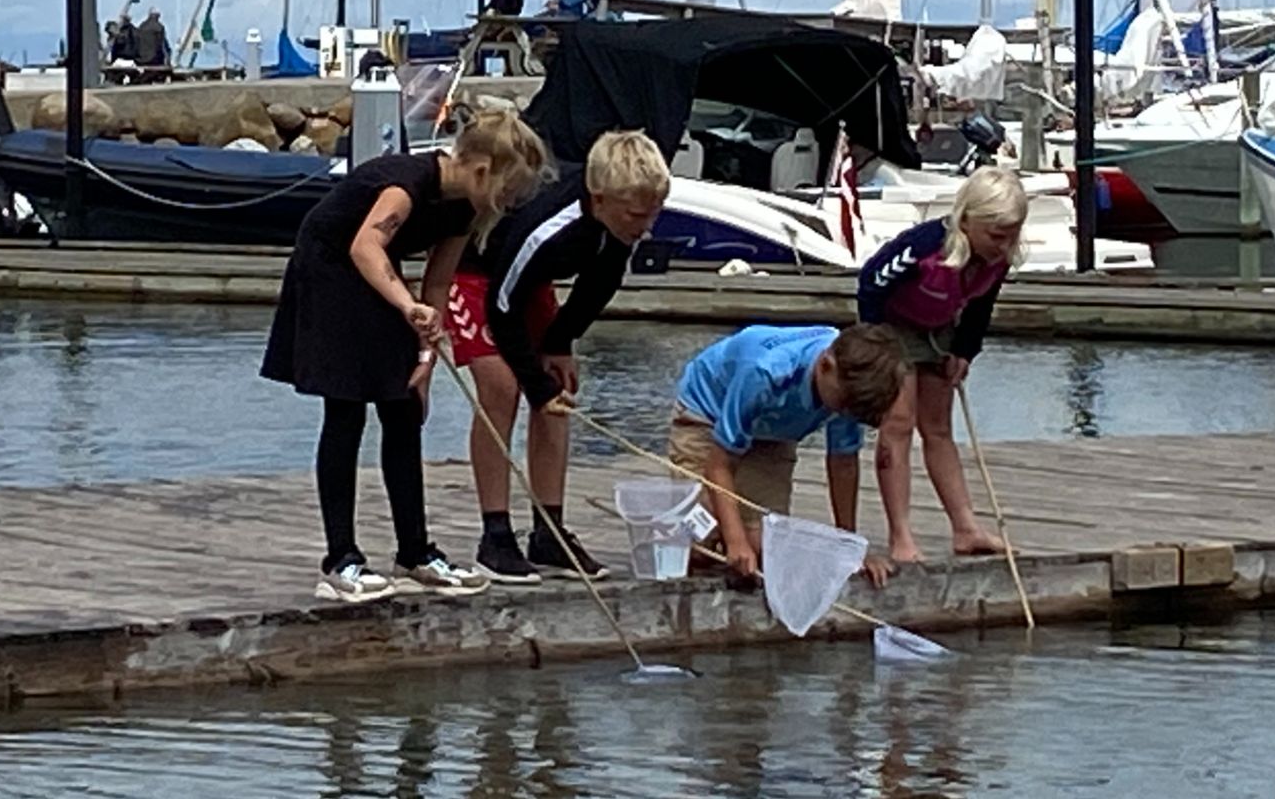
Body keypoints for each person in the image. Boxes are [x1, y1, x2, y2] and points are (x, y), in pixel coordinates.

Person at [262, 110, 552, 603]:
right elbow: (365, 246)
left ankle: (414, 551)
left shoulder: (465, 208)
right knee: (346, 409)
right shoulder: (407, 184)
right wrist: (406, 305)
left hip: (380, 274)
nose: (509, 203)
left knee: (403, 408)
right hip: (330, 269)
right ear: (483, 169)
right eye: (509, 191)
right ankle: (340, 558)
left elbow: (437, 283)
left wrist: (425, 356)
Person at [444, 129, 671, 584]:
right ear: (599, 199)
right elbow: (502, 307)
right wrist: (535, 384)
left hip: (529, 284)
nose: (646, 226)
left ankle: (549, 532)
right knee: (502, 387)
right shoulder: (550, 226)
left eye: (654, 214)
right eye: (636, 215)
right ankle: (495, 535)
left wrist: (560, 344)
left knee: (559, 389)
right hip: (478, 275)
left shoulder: (621, 223)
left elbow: (598, 285)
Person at [856, 166, 1026, 563]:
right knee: (898, 423)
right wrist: (877, 345)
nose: (1003, 246)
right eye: (996, 236)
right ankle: (900, 535)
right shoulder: (924, 247)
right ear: (966, 222)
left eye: (1012, 236)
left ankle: (965, 528)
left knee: (938, 427)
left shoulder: (996, 260)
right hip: (892, 328)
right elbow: (871, 283)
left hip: (940, 330)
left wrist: (965, 350)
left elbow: (981, 306)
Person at [668, 323, 906, 587]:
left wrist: (850, 550)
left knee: (764, 550)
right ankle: (685, 528)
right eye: (841, 406)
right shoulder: (767, 371)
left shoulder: (849, 394)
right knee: (698, 543)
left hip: (774, 432)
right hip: (709, 415)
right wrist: (735, 540)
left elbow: (843, 464)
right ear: (825, 366)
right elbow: (718, 466)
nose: (843, 415)